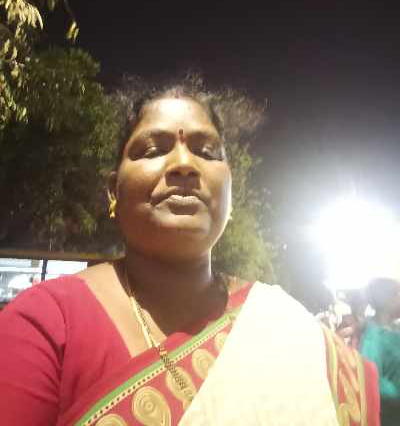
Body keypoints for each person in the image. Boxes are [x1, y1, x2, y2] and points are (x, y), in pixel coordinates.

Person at [0, 79, 380, 425]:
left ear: (230, 192)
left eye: (207, 152)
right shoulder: (46, 324)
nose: (184, 164)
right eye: (153, 149)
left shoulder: (294, 335)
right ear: (113, 190)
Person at [359, 278, 400, 426]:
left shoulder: (394, 330)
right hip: (390, 415)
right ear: (388, 300)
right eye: (399, 294)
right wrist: (396, 391)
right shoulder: (373, 337)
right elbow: (371, 379)